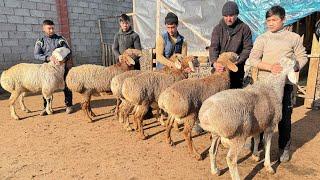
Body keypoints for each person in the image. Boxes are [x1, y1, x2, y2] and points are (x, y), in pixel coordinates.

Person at [246, 5, 308, 162]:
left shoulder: (293, 38)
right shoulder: (262, 38)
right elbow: (253, 59)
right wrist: (270, 67)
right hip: (263, 86)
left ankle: (284, 148)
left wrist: (295, 66)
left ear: (283, 20)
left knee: (284, 117)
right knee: (259, 115)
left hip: (284, 85)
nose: (270, 23)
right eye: (268, 20)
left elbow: (303, 57)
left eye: (274, 20)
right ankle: (256, 143)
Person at [209, 1, 253, 89]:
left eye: (231, 16)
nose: (228, 19)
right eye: (226, 16)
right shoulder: (218, 29)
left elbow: (247, 48)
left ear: (237, 15)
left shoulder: (244, 29)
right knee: (217, 92)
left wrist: (238, 61)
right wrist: (214, 63)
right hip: (220, 68)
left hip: (236, 68)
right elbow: (214, 47)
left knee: (234, 95)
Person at [34, 20, 74, 115]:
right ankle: (46, 107)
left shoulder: (60, 39)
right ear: (43, 28)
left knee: (67, 84)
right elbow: (36, 55)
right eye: (49, 28)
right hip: (47, 69)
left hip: (61, 67)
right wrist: (48, 58)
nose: (51, 30)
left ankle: (69, 105)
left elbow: (69, 52)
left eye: (52, 28)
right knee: (46, 87)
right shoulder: (40, 41)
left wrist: (64, 60)